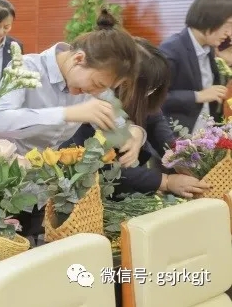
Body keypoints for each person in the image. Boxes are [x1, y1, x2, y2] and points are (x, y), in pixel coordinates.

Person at [0, 9, 142, 236]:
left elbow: (121, 125)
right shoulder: (26, 68)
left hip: (42, 192)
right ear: (78, 59)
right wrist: (67, 113)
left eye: (104, 89)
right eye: (97, 84)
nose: (96, 92)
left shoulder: (92, 86)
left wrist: (135, 135)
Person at [67, 37, 211, 198]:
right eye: (147, 89)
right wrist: (165, 181)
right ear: (122, 82)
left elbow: (156, 125)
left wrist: (179, 157)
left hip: (127, 188)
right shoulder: (92, 104)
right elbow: (104, 165)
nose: (149, 94)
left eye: (154, 88)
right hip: (87, 192)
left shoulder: (142, 98)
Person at [160, 0, 232, 133]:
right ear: (210, 20)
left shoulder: (210, 48)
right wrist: (198, 96)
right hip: (178, 136)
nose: (229, 33)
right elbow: (153, 99)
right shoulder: (171, 50)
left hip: (206, 135)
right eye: (228, 25)